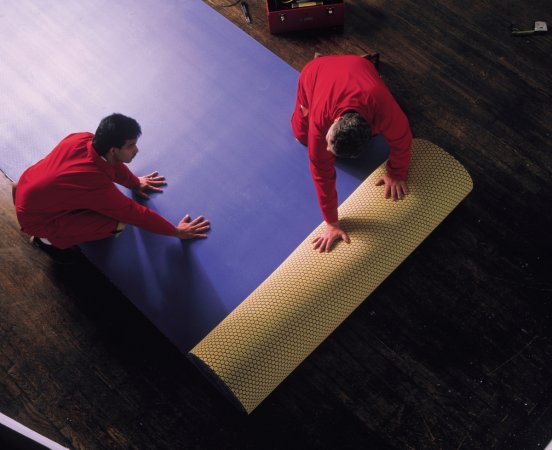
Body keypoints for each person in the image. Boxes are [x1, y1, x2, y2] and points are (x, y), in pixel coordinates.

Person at [13, 113, 210, 263]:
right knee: (117, 225)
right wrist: (176, 232)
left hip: (27, 187)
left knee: (76, 198)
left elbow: (111, 164)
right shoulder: (92, 183)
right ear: (113, 149)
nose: (136, 150)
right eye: (131, 146)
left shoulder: (83, 138)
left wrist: (134, 182)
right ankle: (45, 241)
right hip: (37, 219)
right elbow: (134, 213)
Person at [291, 54, 413, 252]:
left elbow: (403, 139)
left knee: (384, 111)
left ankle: (343, 60)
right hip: (316, 71)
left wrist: (397, 173)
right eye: (329, 142)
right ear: (337, 121)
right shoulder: (321, 117)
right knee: (301, 135)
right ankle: (325, 59)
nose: (327, 149)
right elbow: (322, 174)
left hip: (360, 66)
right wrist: (331, 223)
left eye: (329, 146)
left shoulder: (384, 109)